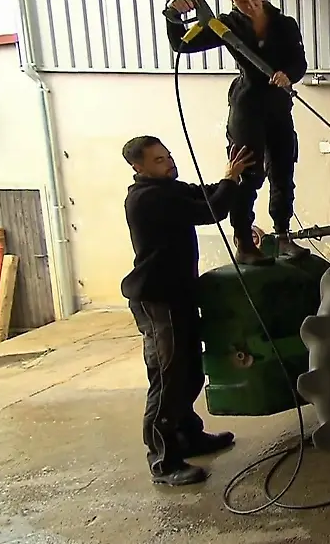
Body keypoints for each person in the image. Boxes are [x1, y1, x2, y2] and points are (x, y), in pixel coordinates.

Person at [120, 135, 255, 486]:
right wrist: (229, 181)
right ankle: (163, 461)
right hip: (156, 300)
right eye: (158, 160)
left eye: (168, 156)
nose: (168, 162)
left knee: (190, 372)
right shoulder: (147, 200)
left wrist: (232, 177)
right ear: (139, 167)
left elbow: (205, 192)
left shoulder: (169, 189)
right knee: (168, 378)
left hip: (178, 295)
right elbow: (209, 211)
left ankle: (188, 436)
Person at [164, 0, 310, 265]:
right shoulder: (225, 26)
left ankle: (283, 235)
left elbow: (299, 60)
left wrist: (289, 76)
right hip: (247, 108)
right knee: (248, 174)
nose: (251, 6)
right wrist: (173, 16)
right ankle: (245, 242)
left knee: (282, 171)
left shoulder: (284, 24)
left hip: (279, 105)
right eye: (243, 1)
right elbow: (182, 44)